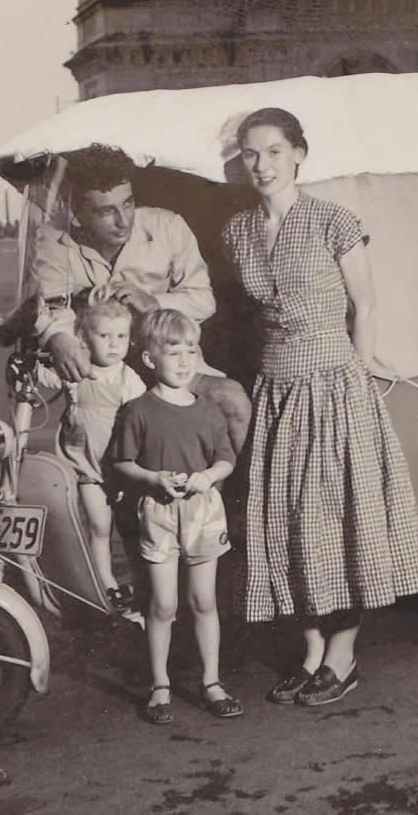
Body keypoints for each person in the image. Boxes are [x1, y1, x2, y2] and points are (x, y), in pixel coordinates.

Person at [221, 107, 418, 707]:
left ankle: (343, 655)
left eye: (274, 151)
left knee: (336, 520)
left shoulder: (333, 221)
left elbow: (365, 307)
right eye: (250, 153)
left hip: (334, 388)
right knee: (286, 522)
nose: (262, 165)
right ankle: (311, 652)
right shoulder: (237, 231)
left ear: (299, 154)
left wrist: (358, 377)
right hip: (275, 388)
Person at [31, 143, 251, 456]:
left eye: (128, 203)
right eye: (106, 211)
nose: (124, 221)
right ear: (77, 216)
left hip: (166, 361)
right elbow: (49, 304)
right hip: (101, 369)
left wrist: (154, 303)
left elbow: (204, 300)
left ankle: (218, 489)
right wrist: (58, 338)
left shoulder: (168, 226)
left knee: (233, 401)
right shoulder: (53, 241)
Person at [109, 309, 243, 724]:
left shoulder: (208, 410)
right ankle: (160, 686)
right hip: (159, 512)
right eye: (173, 352)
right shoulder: (137, 410)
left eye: (191, 351)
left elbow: (226, 459)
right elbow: (122, 462)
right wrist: (153, 478)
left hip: (203, 512)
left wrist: (208, 477)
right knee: (163, 604)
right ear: (150, 360)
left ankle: (212, 681)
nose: (184, 361)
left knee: (203, 600)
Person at [42, 293, 146, 610]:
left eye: (121, 336)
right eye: (104, 336)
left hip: (123, 467)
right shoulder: (77, 372)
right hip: (86, 466)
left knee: (133, 526)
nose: (114, 344)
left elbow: (144, 419)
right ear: (84, 339)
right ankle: (106, 583)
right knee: (99, 526)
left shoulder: (128, 379)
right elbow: (42, 377)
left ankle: (143, 582)